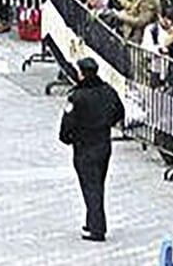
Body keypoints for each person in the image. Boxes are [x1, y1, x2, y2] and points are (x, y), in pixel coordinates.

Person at [59, 58, 125, 242]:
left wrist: (67, 138)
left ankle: (97, 228)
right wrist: (106, 124)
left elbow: (67, 123)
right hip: (103, 143)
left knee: (90, 187)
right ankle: (91, 221)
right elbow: (119, 112)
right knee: (97, 184)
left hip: (84, 145)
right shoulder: (108, 91)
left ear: (81, 73)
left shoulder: (77, 96)